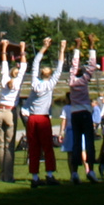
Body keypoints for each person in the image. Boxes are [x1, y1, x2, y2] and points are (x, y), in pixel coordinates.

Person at [23, 36, 67, 187]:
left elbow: (35, 63)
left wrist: (44, 47)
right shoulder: (51, 84)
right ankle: (49, 174)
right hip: (43, 119)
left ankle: (35, 177)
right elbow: (60, 68)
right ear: (50, 74)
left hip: (32, 118)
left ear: (41, 74)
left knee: (33, 147)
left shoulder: (35, 83)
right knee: (47, 147)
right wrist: (62, 49)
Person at [63, 41, 98, 183]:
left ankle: (75, 173)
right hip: (85, 113)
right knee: (89, 142)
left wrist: (76, 48)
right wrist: (91, 46)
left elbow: (73, 65)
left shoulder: (72, 81)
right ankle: (91, 170)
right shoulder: (84, 80)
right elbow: (92, 66)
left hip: (74, 114)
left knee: (76, 143)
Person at [0, 38, 27, 183]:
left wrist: (4, 48)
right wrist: (22, 49)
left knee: (1, 144)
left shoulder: (4, 79)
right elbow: (24, 65)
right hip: (10, 111)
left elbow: (4, 64)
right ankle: (9, 175)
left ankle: (2, 173)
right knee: (10, 145)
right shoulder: (18, 81)